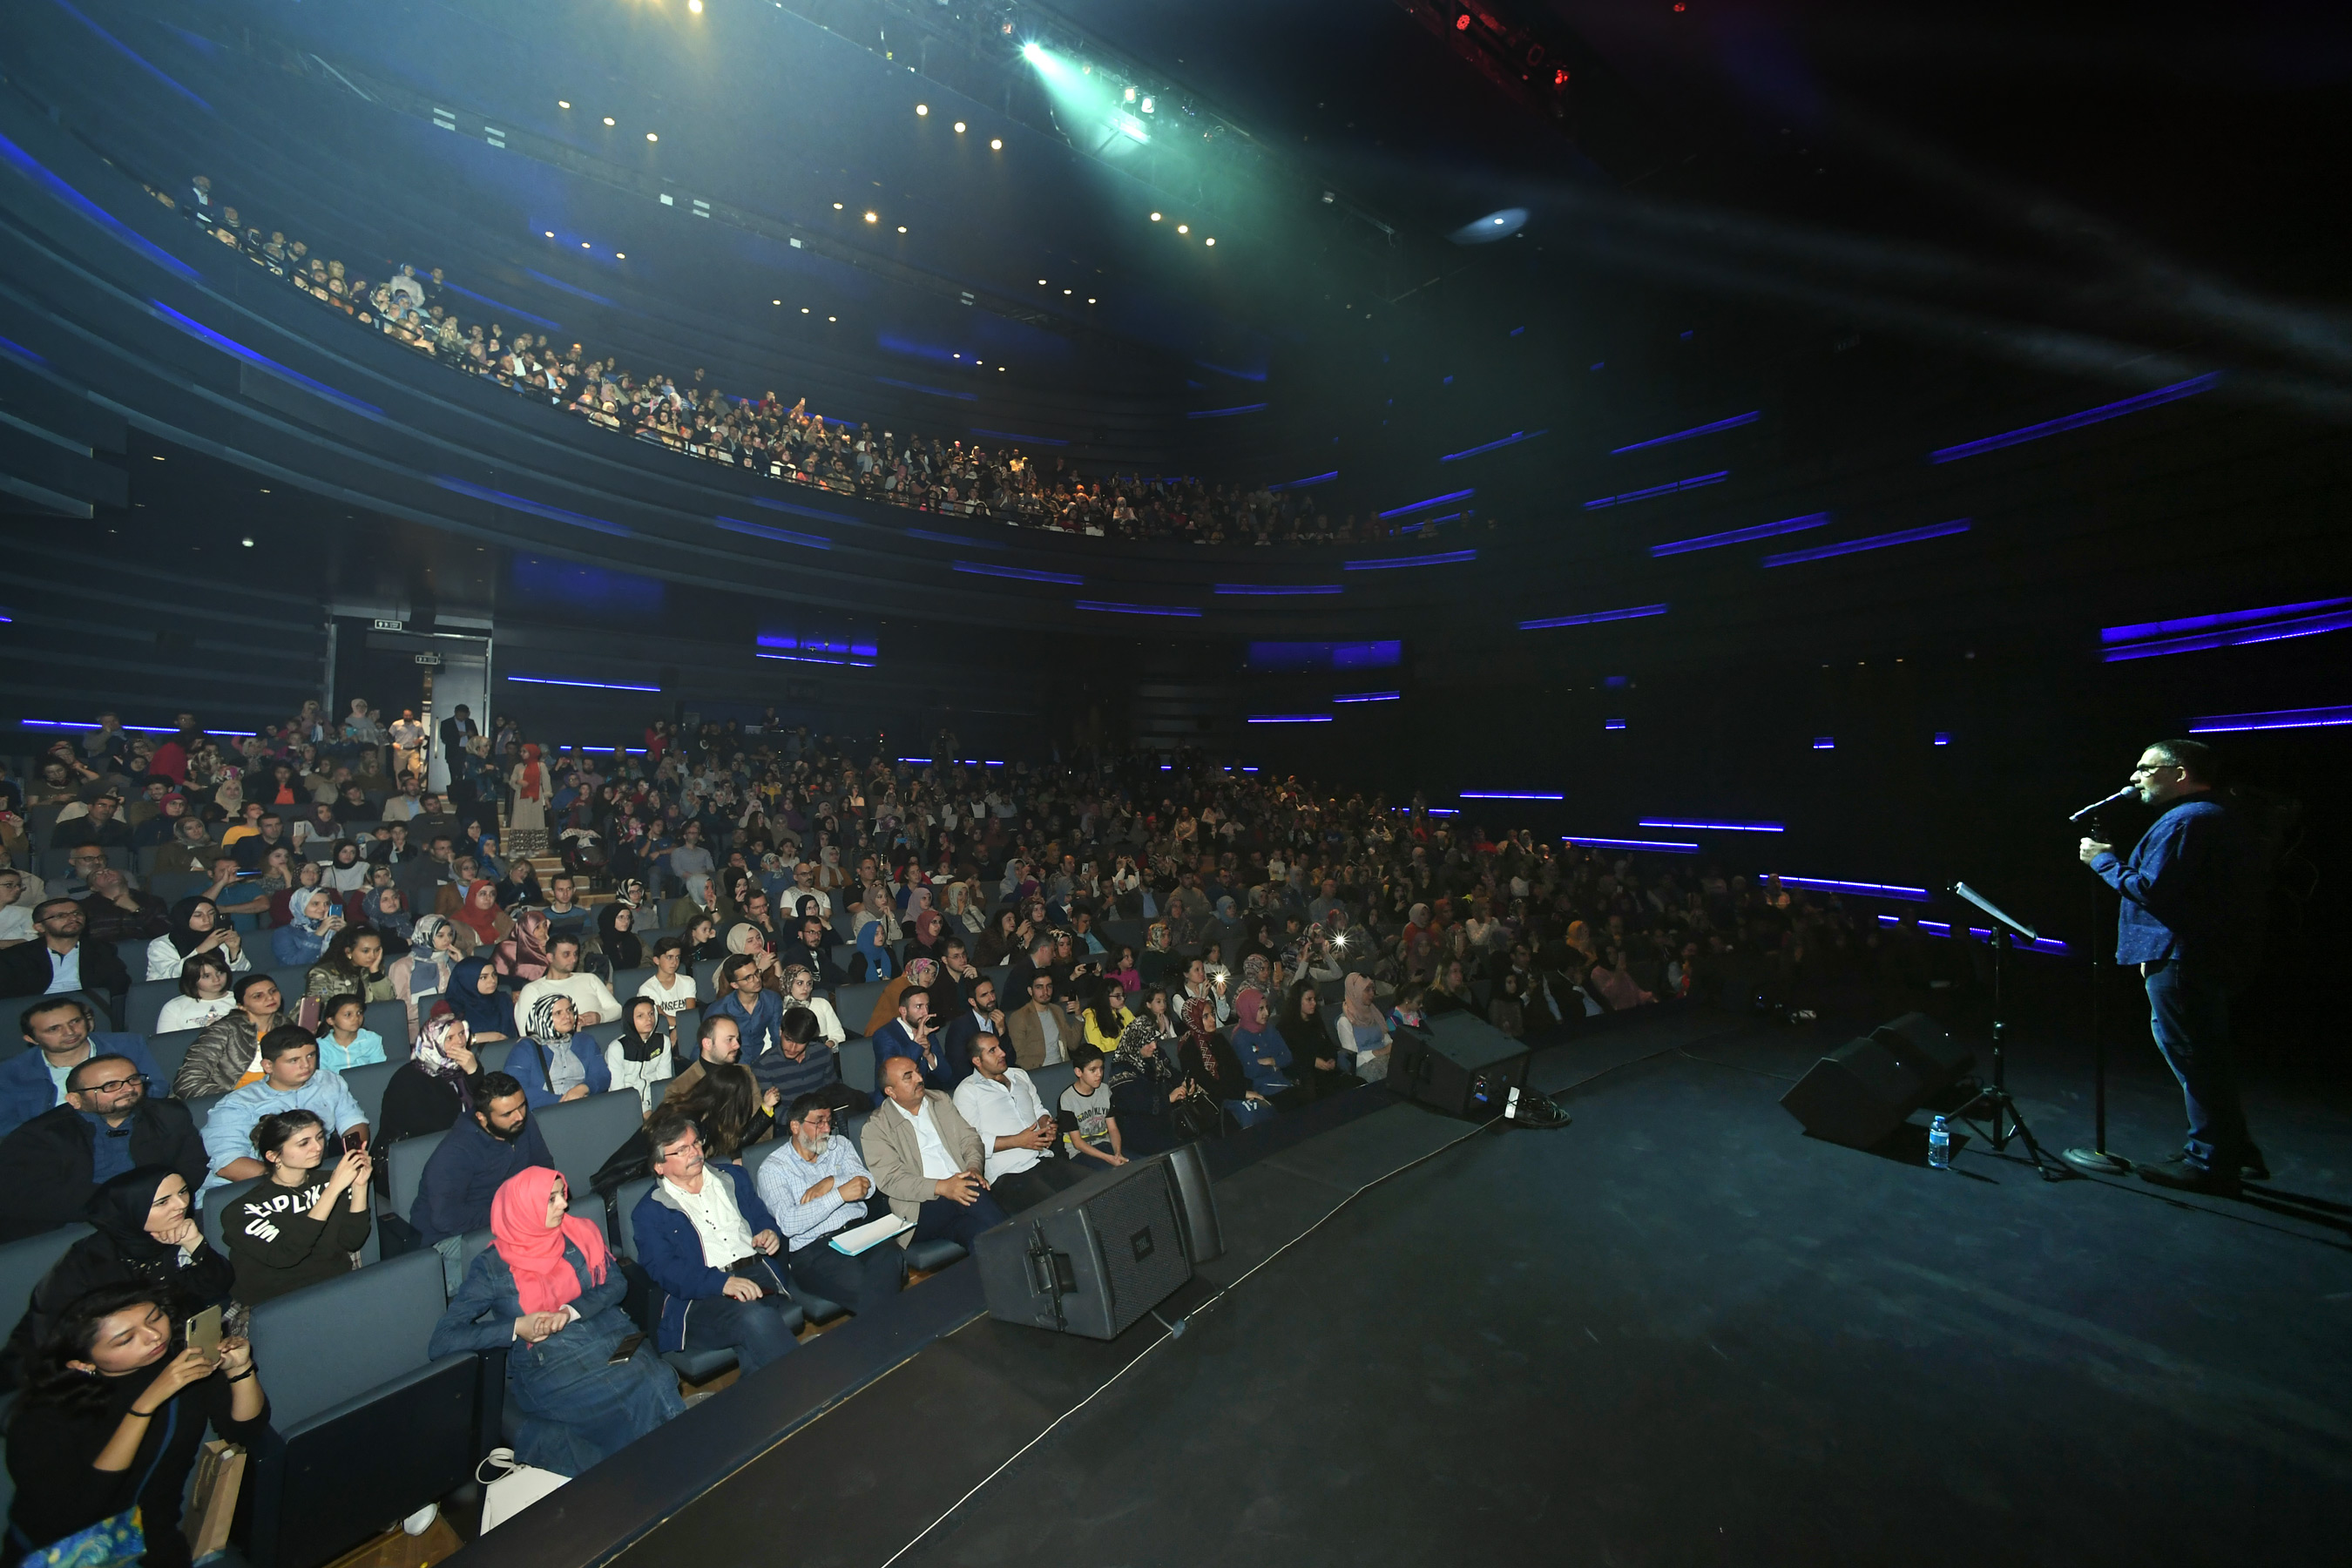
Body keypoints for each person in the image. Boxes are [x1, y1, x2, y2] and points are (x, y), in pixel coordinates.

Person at [2079, 738, 2264, 1193]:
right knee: (2203, 1056)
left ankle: (2209, 1164)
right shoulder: (2208, 816)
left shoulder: (2189, 820)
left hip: (2182, 957)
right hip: (2190, 954)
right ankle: (2233, 1148)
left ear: (2179, 774)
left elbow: (2152, 889)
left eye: (2146, 768)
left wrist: (2102, 861)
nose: (2135, 776)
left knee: (2193, 1057)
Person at [429, 1167, 681, 1476]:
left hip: (605, 1333)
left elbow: (616, 1285)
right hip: (549, 1363)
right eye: (552, 1199)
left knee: (658, 1379)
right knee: (629, 1394)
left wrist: (570, 1311)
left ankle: (660, 1472)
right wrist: (515, 1327)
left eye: (561, 1194)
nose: (564, 1204)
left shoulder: (580, 1232)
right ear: (525, 1208)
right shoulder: (493, 1266)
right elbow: (443, 1340)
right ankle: (658, 1474)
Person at [3, 1283, 273, 1568]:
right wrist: (145, 1406)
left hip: (154, 1537)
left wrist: (239, 1369)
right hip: (66, 1547)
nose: (154, 1336)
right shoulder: (44, 1415)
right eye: (125, 1339)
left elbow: (244, 1430)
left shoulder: (182, 1364)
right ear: (82, 1363)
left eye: (154, 1317)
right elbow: (80, 1512)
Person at [4, 1169, 233, 1377]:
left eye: (183, 1192)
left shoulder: (173, 1236)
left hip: (161, 1347)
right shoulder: (91, 1260)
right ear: (132, 1210)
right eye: (163, 1202)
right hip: (98, 1365)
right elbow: (54, 1331)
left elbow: (216, 1287)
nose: (181, 1205)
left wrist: (195, 1243)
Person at [629, 1114, 801, 1375]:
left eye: (695, 1143)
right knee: (755, 1319)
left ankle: (768, 1408)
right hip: (700, 1297)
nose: (695, 1152)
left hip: (758, 1274)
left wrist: (769, 1232)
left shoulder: (733, 1177)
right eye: (682, 1150)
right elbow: (665, 1270)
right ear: (659, 1166)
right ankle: (808, 1384)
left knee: (757, 1336)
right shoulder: (650, 1211)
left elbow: (761, 1217)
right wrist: (721, 1283)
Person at [0, 1054, 205, 1243]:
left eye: (133, 1079)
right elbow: (28, 1196)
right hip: (78, 1229)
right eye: (111, 1085)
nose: (128, 1089)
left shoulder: (169, 1114)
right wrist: (132, 1205)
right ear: (75, 1100)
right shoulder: (40, 1135)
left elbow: (193, 1165)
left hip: (165, 1216)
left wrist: (165, 1207)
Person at [754, 1095, 903, 1315]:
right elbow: (788, 1222)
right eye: (819, 1122)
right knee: (867, 1286)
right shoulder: (773, 1169)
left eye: (829, 1121)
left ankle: (886, 1336)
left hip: (860, 1232)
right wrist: (840, 1194)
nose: (826, 1129)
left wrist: (831, 1182)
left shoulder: (839, 1145)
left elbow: (868, 1185)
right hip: (815, 1250)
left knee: (891, 1255)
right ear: (795, 1126)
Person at [410, 1071, 556, 1279]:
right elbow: (447, 1219)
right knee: (529, 1268)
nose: (520, 1116)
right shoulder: (455, 1152)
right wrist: (513, 1215)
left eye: (522, 1105)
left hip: (509, 1221)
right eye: (507, 1114)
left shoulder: (522, 1122)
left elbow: (543, 1167)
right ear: (482, 1118)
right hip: (451, 1240)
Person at [859, 1053, 1008, 1254]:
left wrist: (973, 1167)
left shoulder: (939, 1100)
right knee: (975, 1195)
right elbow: (892, 1180)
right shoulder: (876, 1128)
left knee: (980, 1236)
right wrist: (943, 1187)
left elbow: (969, 1139)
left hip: (960, 1195)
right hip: (919, 1211)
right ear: (890, 1091)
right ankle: (1029, 1251)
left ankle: (1007, 1280)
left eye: (918, 1072)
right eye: (908, 1077)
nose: (919, 1079)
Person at [222, 1110, 373, 1307]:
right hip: (279, 1302)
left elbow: (352, 1241)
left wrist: (360, 1185)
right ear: (274, 1156)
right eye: (304, 1143)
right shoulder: (242, 1210)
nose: (317, 1147)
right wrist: (334, 1189)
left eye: (319, 1137)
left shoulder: (331, 1181)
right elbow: (286, 1254)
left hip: (335, 1288)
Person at [198, 1027, 368, 1192]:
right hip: (247, 1189)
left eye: (310, 1055)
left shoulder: (328, 1082)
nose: (306, 1065)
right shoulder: (238, 1105)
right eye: (294, 1060)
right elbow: (228, 1165)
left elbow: (353, 1122)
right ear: (268, 1066)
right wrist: (295, 1181)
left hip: (312, 1181)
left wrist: (354, 1158)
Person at [952, 1032, 1086, 1212]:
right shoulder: (967, 1092)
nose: (1002, 1053)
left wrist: (1046, 1123)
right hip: (1008, 1175)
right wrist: (1018, 1141)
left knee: (1095, 1189)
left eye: (999, 1047)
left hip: (1042, 1160)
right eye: (993, 1051)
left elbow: (1038, 1109)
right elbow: (972, 1142)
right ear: (977, 1061)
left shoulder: (1019, 1075)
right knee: (1061, 1210)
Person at [0, 997, 163, 1141]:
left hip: (127, 1130)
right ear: (31, 1039)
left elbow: (156, 1088)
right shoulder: (12, 1072)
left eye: (75, 1021)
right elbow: (5, 1124)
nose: (70, 1032)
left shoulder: (128, 1045)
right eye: (54, 1029)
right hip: (54, 1146)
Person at [0, 897, 132, 1018]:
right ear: (40, 927)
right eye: (61, 916)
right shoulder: (16, 956)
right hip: (38, 1011)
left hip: (88, 1008)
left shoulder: (101, 949)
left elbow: (120, 985)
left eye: (77, 913)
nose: (73, 918)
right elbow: (10, 998)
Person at [375, 1012, 483, 1156]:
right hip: (417, 1154)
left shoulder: (467, 1064)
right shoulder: (409, 1079)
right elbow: (429, 1130)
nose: (460, 1042)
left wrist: (474, 1073)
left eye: (462, 1033)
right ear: (433, 1042)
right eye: (449, 1038)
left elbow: (486, 1105)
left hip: (461, 1144)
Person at [1179, 997, 1275, 1129]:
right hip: (1215, 1102)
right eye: (1205, 1017)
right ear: (1194, 1020)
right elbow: (1207, 1084)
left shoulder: (1218, 1039)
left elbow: (1236, 1069)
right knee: (1249, 1113)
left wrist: (1243, 1091)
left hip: (1234, 1090)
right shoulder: (1188, 1048)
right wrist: (1241, 1094)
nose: (1213, 1020)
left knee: (1268, 1102)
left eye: (1212, 1014)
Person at [517, 932, 622, 1030]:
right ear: (550, 957)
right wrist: (569, 1025)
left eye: (575, 954)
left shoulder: (590, 979)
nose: (574, 959)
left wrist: (600, 1017)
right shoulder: (533, 990)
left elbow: (617, 1009)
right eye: (566, 954)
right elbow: (526, 1030)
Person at [605, 996, 677, 1114]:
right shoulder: (618, 1048)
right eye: (640, 1016)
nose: (648, 1019)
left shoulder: (663, 1041)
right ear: (630, 1019)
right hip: (628, 1106)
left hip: (656, 1103)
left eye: (651, 1014)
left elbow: (664, 1082)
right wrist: (645, 1111)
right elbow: (618, 1091)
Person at [1060, 1045, 1125, 1168]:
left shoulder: (1105, 1090)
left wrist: (1117, 1153)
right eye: (1093, 1070)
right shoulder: (1067, 1099)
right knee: (1110, 1172)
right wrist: (1108, 1158)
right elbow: (1077, 1143)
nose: (1099, 1074)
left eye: (1101, 1069)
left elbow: (1112, 1128)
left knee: (1132, 1164)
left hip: (1105, 1144)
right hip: (1080, 1153)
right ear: (1078, 1072)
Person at [389, 914, 458, 1029]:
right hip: (418, 1028)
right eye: (440, 936)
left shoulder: (451, 961)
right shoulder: (403, 966)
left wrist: (462, 964)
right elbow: (401, 1010)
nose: (448, 940)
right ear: (425, 936)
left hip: (454, 1026)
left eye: (450, 934)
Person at [154, 952, 239, 1037]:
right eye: (206, 976)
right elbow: (166, 1045)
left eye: (220, 973)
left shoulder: (242, 1000)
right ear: (193, 979)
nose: (216, 979)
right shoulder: (174, 1008)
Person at [1004, 969, 1072, 1071]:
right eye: (1039, 987)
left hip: (1061, 1067)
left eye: (1049, 986)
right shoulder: (1020, 1017)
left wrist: (1079, 1017)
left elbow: (1072, 1044)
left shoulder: (1057, 1011)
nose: (1045, 991)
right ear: (1030, 991)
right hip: (1037, 1071)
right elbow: (1018, 1058)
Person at [445, 955, 517, 1044]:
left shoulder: (503, 1000)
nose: (493, 981)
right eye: (484, 977)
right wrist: (475, 1038)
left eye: (494, 974)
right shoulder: (448, 1008)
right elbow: (442, 1042)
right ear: (468, 980)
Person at [636, 936, 698, 1035]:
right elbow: (662, 1019)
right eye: (669, 957)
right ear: (656, 960)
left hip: (687, 1030)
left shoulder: (688, 982)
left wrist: (677, 1032)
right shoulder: (647, 988)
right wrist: (681, 1027)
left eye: (677, 957)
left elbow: (689, 1015)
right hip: (662, 1032)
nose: (675, 962)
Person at [315, 992, 386, 1072]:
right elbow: (323, 1078)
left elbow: (379, 1071)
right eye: (348, 1014)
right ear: (331, 1020)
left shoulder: (372, 1039)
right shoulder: (321, 1045)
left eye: (359, 1013)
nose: (356, 1018)